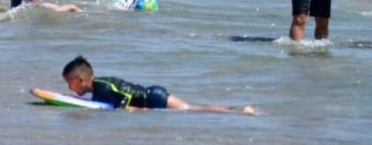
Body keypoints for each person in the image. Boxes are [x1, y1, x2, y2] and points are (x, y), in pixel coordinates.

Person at [62, 56, 254, 114]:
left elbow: (124, 98)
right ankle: (237, 109)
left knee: (193, 108)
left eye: (69, 83)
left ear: (80, 80)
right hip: (152, 95)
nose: (69, 88)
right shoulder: (98, 89)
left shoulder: (102, 86)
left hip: (152, 97)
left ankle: (239, 111)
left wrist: (129, 111)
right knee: (194, 107)